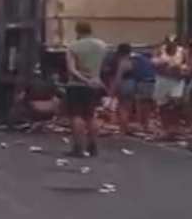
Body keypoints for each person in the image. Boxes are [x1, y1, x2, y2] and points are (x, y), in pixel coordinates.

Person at [65, 21, 108, 157]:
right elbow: (101, 66)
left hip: (77, 85)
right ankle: (93, 145)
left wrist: (85, 80)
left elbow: (72, 69)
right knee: (91, 116)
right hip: (94, 85)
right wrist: (93, 79)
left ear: (77, 31)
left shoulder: (73, 47)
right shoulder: (102, 46)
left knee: (76, 116)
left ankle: (78, 147)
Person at [110, 43, 157, 135]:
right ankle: (132, 127)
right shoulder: (136, 60)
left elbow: (118, 77)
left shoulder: (124, 61)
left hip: (124, 84)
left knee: (123, 108)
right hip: (133, 83)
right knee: (129, 108)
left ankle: (123, 129)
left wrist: (113, 90)